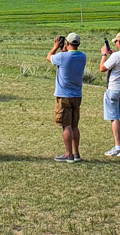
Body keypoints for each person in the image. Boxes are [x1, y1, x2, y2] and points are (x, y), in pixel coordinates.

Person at [47, 32, 86, 162]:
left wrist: (55, 47)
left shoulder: (62, 57)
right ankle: (76, 153)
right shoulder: (83, 56)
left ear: (67, 43)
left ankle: (68, 154)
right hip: (77, 95)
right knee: (75, 125)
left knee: (66, 125)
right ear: (78, 44)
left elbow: (49, 57)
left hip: (63, 95)